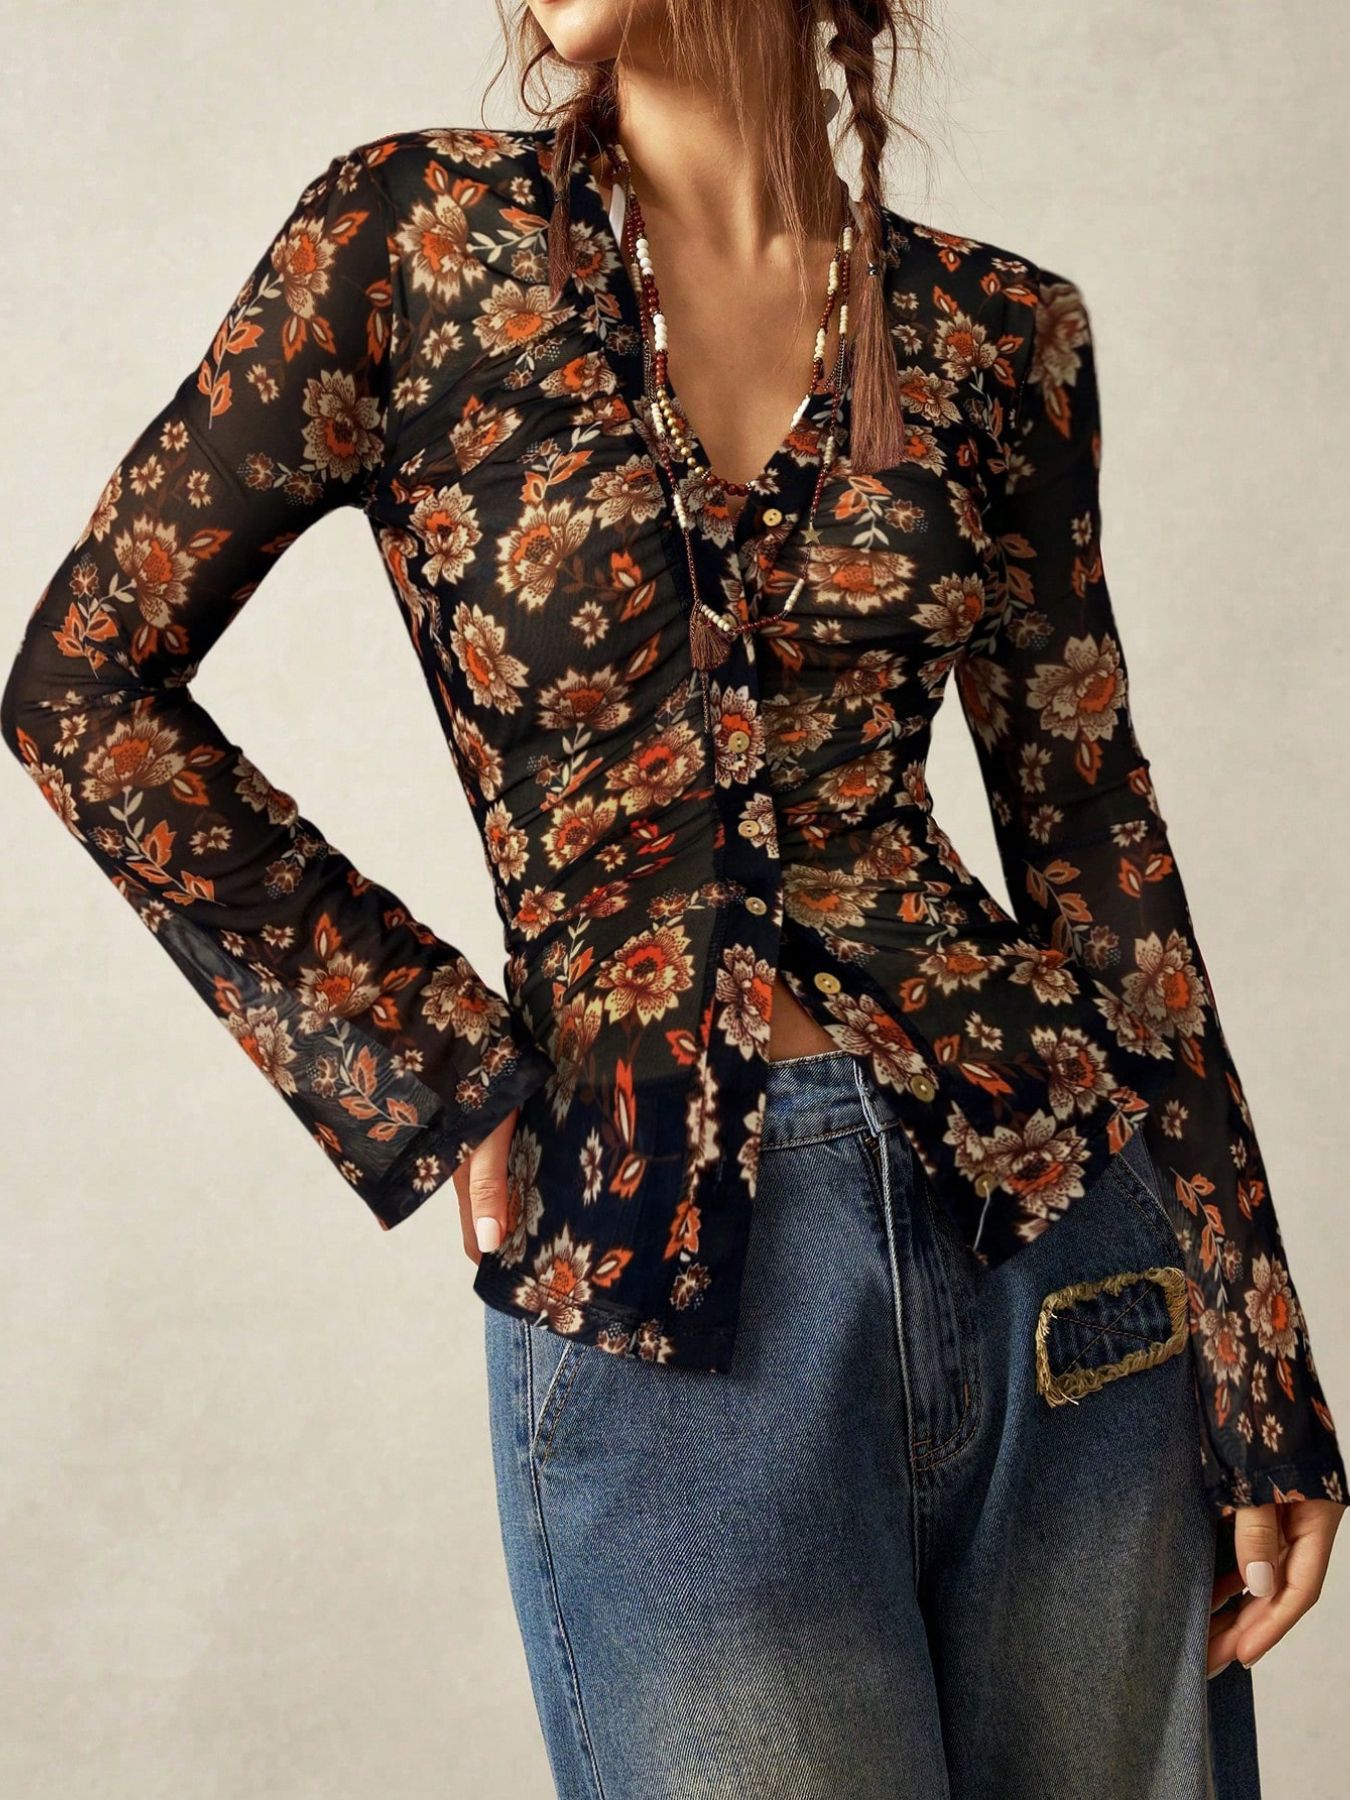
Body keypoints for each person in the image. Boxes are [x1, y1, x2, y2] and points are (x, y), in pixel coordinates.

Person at [3, 1, 1344, 1793]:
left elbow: (1090, 835)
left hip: (1061, 1264)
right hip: (663, 1282)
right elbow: (83, 682)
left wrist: (1256, 1350)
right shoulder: (410, 241)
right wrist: (427, 1056)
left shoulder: (999, 329)